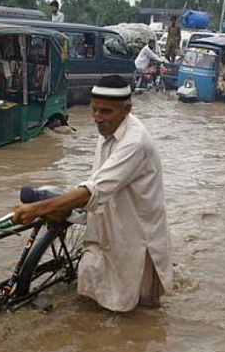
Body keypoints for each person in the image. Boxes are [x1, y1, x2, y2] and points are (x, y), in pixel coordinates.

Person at [12, 75, 172, 312]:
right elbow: (98, 178)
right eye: (94, 110)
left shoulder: (135, 142)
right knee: (98, 279)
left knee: (137, 300)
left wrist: (37, 209)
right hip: (107, 211)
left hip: (136, 225)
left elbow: (96, 188)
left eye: (105, 111)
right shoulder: (108, 129)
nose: (98, 118)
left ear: (127, 109)